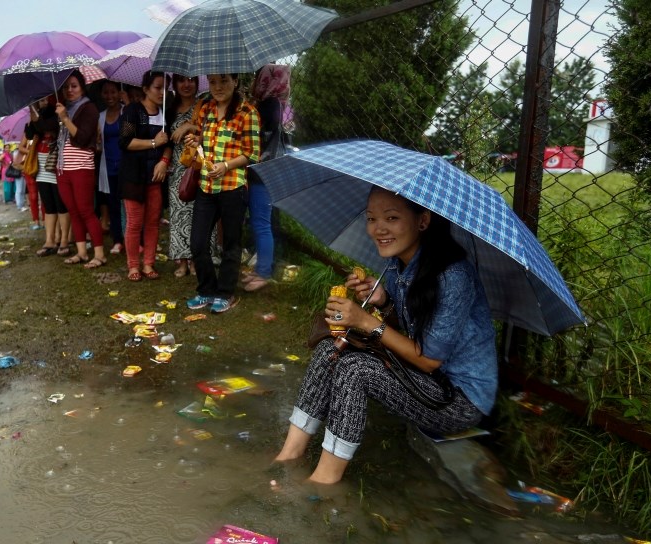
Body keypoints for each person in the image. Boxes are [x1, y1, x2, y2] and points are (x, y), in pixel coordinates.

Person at [274, 188, 498, 484]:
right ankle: (288, 455)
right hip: (423, 379)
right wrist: (382, 300)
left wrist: (366, 320)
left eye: (391, 218)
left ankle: (325, 481)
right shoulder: (397, 264)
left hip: (457, 400)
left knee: (356, 370)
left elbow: (429, 359)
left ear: (423, 221)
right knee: (332, 348)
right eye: (371, 219)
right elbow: (406, 325)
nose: (378, 229)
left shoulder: (453, 276)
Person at [182, 73, 260, 313]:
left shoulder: (248, 113)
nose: (218, 87)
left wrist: (226, 166)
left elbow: (252, 154)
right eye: (213, 81)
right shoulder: (205, 108)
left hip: (232, 187)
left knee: (231, 243)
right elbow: (204, 141)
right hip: (206, 185)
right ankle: (206, 289)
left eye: (224, 81)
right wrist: (195, 142)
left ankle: (225, 292)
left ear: (235, 81)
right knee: (197, 242)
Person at [119, 70, 172, 281]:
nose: (162, 92)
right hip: (133, 176)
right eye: (157, 87)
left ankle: (149, 263)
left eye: (165, 88)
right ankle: (133, 266)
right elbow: (125, 142)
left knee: (153, 222)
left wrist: (163, 161)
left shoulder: (164, 113)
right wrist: (152, 143)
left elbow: (169, 144)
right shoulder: (133, 111)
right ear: (145, 89)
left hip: (155, 178)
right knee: (134, 222)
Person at [244, 65, 290, 292]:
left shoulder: (268, 105)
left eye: (258, 78)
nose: (255, 82)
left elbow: (258, 137)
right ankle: (262, 267)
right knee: (263, 221)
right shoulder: (279, 105)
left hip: (262, 172)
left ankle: (264, 272)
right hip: (269, 170)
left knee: (261, 222)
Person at [55, 71, 105, 268]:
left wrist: (66, 119)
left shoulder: (88, 109)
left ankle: (100, 254)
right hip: (63, 167)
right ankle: (82, 252)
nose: (70, 90)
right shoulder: (64, 108)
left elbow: (83, 138)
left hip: (81, 166)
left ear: (82, 88)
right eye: (66, 86)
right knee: (73, 211)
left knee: (86, 210)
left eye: (74, 86)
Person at [166, 74, 203, 278]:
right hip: (178, 169)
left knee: (199, 214)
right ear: (175, 84)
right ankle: (182, 261)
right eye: (181, 80)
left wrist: (190, 126)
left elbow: (211, 130)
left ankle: (198, 259)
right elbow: (169, 143)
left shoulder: (204, 104)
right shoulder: (170, 109)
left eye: (191, 79)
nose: (186, 84)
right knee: (179, 215)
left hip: (199, 167)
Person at [27, 96, 71, 257]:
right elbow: (30, 134)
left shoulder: (58, 113)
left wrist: (35, 115)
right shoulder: (38, 115)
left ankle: (64, 240)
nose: (43, 103)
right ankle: (49, 240)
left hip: (56, 165)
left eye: (46, 100)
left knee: (61, 205)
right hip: (42, 167)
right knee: (48, 206)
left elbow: (47, 125)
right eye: (40, 100)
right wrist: (33, 114)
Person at [97, 80, 125, 256]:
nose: (110, 96)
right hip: (108, 167)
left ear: (119, 93)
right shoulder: (100, 116)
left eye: (113, 92)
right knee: (113, 204)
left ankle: (135, 239)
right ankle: (117, 240)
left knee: (129, 205)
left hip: (126, 166)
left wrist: (127, 102)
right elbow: (97, 144)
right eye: (106, 93)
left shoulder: (127, 111)